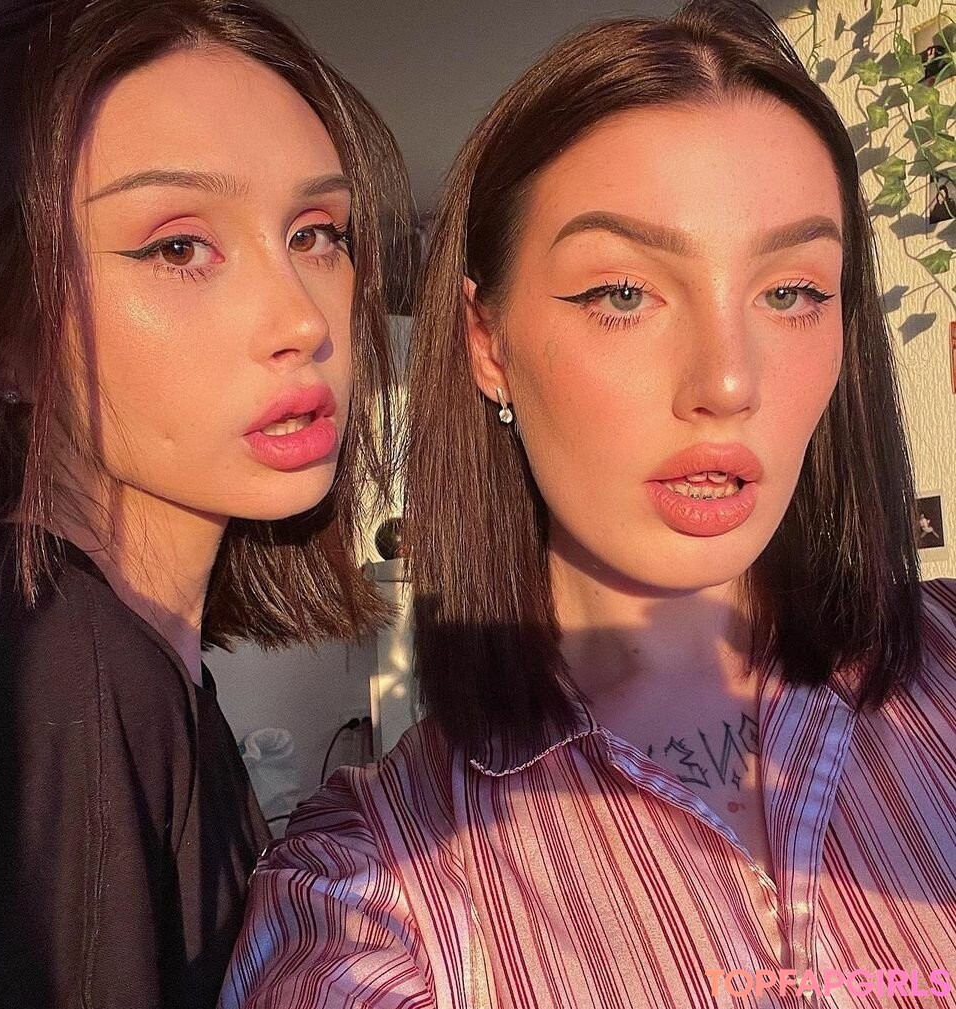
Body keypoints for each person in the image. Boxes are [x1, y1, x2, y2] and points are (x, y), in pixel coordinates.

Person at [221, 1, 956, 1006]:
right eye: (622, 293)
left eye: (790, 292)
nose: (728, 381)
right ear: (487, 342)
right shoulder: (371, 894)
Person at [0, 0, 410, 1005]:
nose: (302, 318)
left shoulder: (129, 664)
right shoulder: (55, 665)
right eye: (177, 247)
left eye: (316, 233)